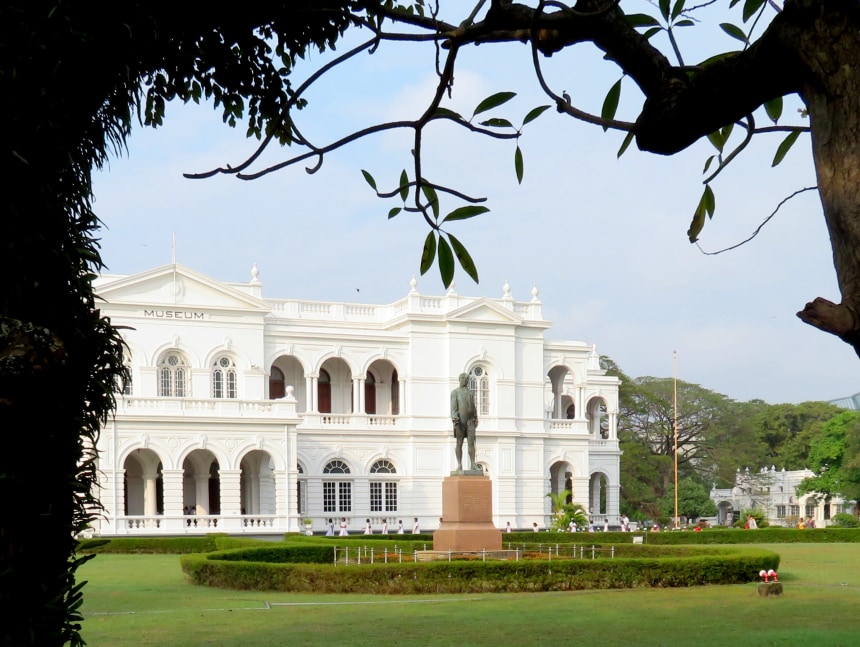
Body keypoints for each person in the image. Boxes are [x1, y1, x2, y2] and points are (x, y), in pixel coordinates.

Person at [450, 372, 478, 472]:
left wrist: (476, 417)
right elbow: (453, 408)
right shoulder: (455, 392)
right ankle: (459, 464)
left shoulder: (470, 392)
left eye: (466, 379)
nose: (464, 380)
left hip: (470, 420)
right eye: (462, 379)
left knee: (471, 443)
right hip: (460, 421)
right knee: (459, 443)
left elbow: (473, 406)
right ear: (459, 380)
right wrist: (455, 418)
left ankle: (473, 464)